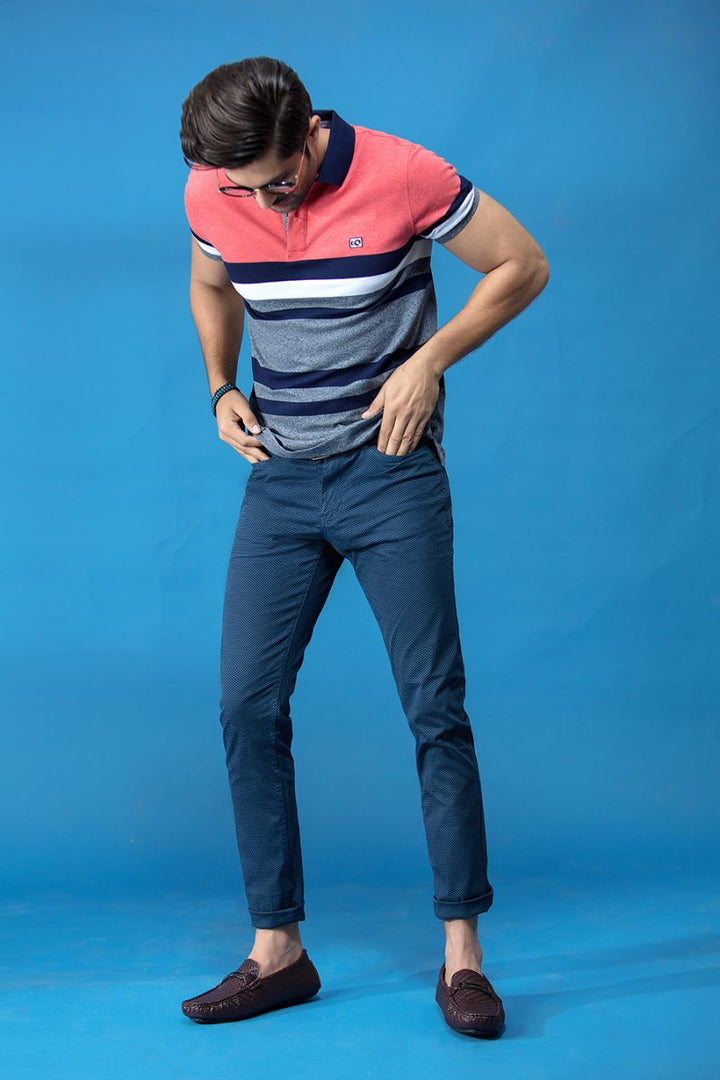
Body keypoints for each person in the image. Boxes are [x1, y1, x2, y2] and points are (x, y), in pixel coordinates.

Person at [178, 55, 549, 1038]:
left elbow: (523, 263)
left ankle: (463, 956)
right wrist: (220, 385)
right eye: (246, 190)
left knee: (434, 707)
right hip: (281, 480)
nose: (267, 202)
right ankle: (278, 952)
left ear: (309, 132)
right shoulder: (216, 186)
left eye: (279, 181)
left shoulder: (404, 172)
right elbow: (210, 283)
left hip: (390, 475)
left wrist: (429, 361)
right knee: (246, 706)